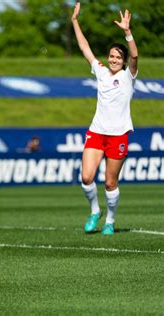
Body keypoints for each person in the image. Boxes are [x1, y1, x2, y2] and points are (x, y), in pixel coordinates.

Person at [71, 3, 138, 235]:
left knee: (110, 182)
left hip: (118, 134)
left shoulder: (128, 76)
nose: (113, 60)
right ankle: (94, 210)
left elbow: (136, 55)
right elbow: (84, 47)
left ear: (123, 60)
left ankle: (109, 220)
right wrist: (75, 21)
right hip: (97, 131)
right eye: (111, 56)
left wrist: (127, 32)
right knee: (86, 177)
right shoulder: (100, 71)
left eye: (118, 57)